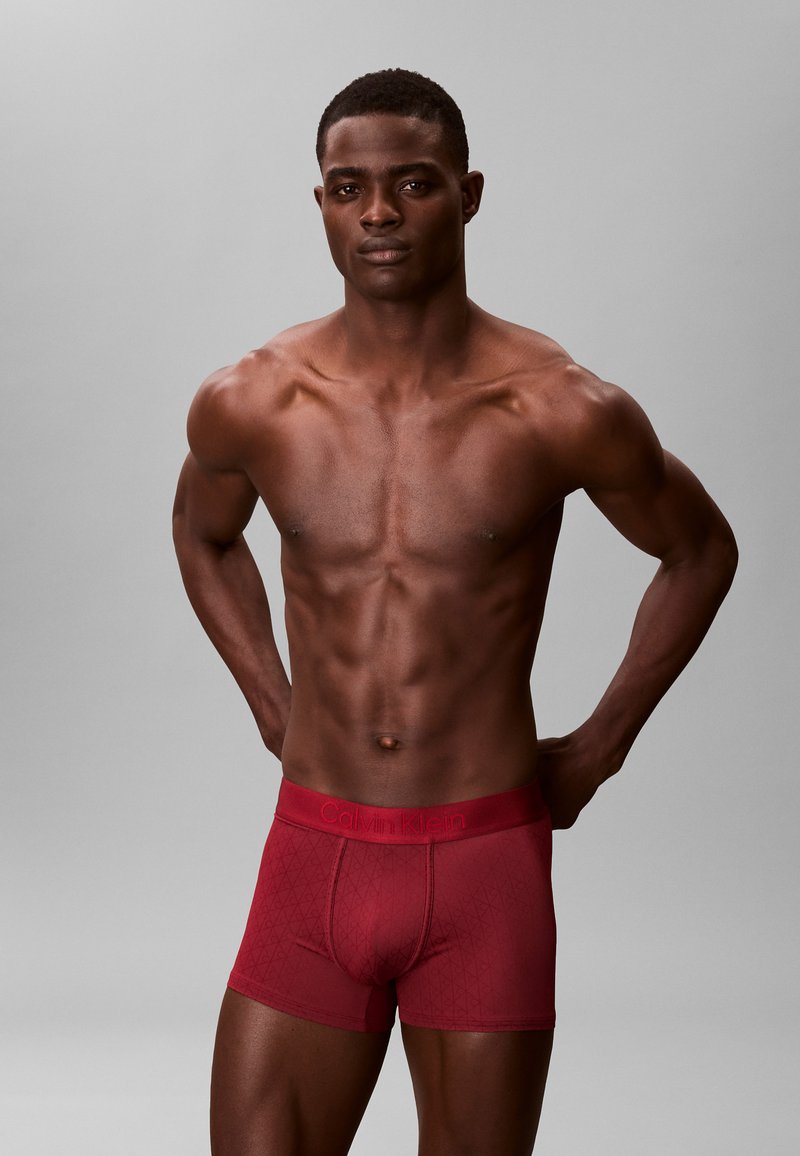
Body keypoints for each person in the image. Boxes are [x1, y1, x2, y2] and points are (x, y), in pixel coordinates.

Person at [172, 67, 738, 1156]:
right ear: (322, 203)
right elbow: (203, 534)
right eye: (349, 188)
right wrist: (271, 706)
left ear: (468, 195)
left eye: (414, 183)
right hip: (313, 853)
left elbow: (699, 550)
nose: (379, 212)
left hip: (484, 864)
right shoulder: (254, 399)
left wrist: (601, 748)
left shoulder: (556, 407)